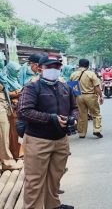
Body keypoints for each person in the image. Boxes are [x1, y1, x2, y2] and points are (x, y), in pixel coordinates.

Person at [17, 54, 77, 209]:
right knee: (34, 181)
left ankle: (53, 205)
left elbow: (74, 108)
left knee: (55, 177)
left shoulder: (65, 87)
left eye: (56, 66)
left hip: (60, 140)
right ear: (40, 69)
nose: (53, 69)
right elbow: (24, 111)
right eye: (49, 66)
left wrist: (72, 118)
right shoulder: (32, 87)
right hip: (38, 141)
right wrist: (51, 118)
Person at [70, 59, 104, 138]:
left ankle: (82, 133)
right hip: (90, 96)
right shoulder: (91, 74)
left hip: (78, 96)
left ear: (79, 65)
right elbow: (96, 87)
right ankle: (96, 130)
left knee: (82, 115)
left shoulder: (73, 74)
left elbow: (71, 87)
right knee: (96, 113)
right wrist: (101, 96)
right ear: (88, 66)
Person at [0, 54, 22, 170]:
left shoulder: (3, 76)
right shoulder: (4, 76)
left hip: (8, 106)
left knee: (8, 133)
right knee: (6, 133)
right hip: (5, 106)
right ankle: (8, 160)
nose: (2, 62)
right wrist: (17, 93)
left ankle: (10, 158)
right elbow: (6, 92)